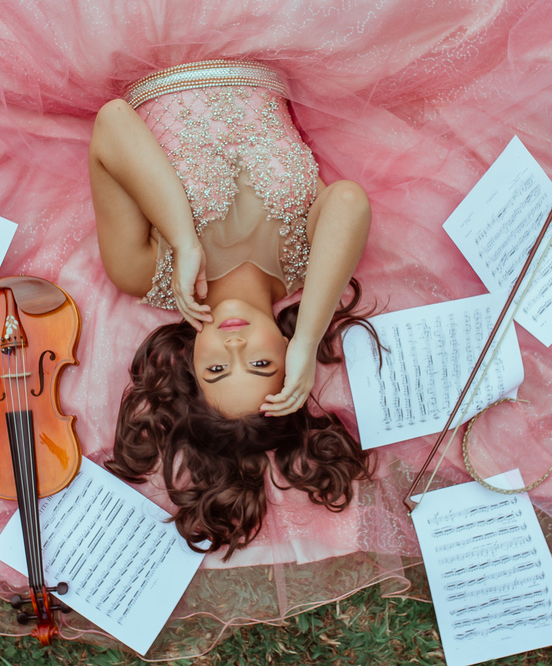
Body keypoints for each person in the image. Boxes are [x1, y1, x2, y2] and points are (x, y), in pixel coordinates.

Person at [88, 60, 379, 559]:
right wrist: (308, 338)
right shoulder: (308, 264)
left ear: (191, 363)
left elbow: (113, 120)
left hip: (151, 42)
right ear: (287, 356)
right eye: (261, 364)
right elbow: (350, 200)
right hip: (269, 41)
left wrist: (183, 240)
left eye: (218, 368)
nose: (236, 345)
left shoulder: (145, 273)